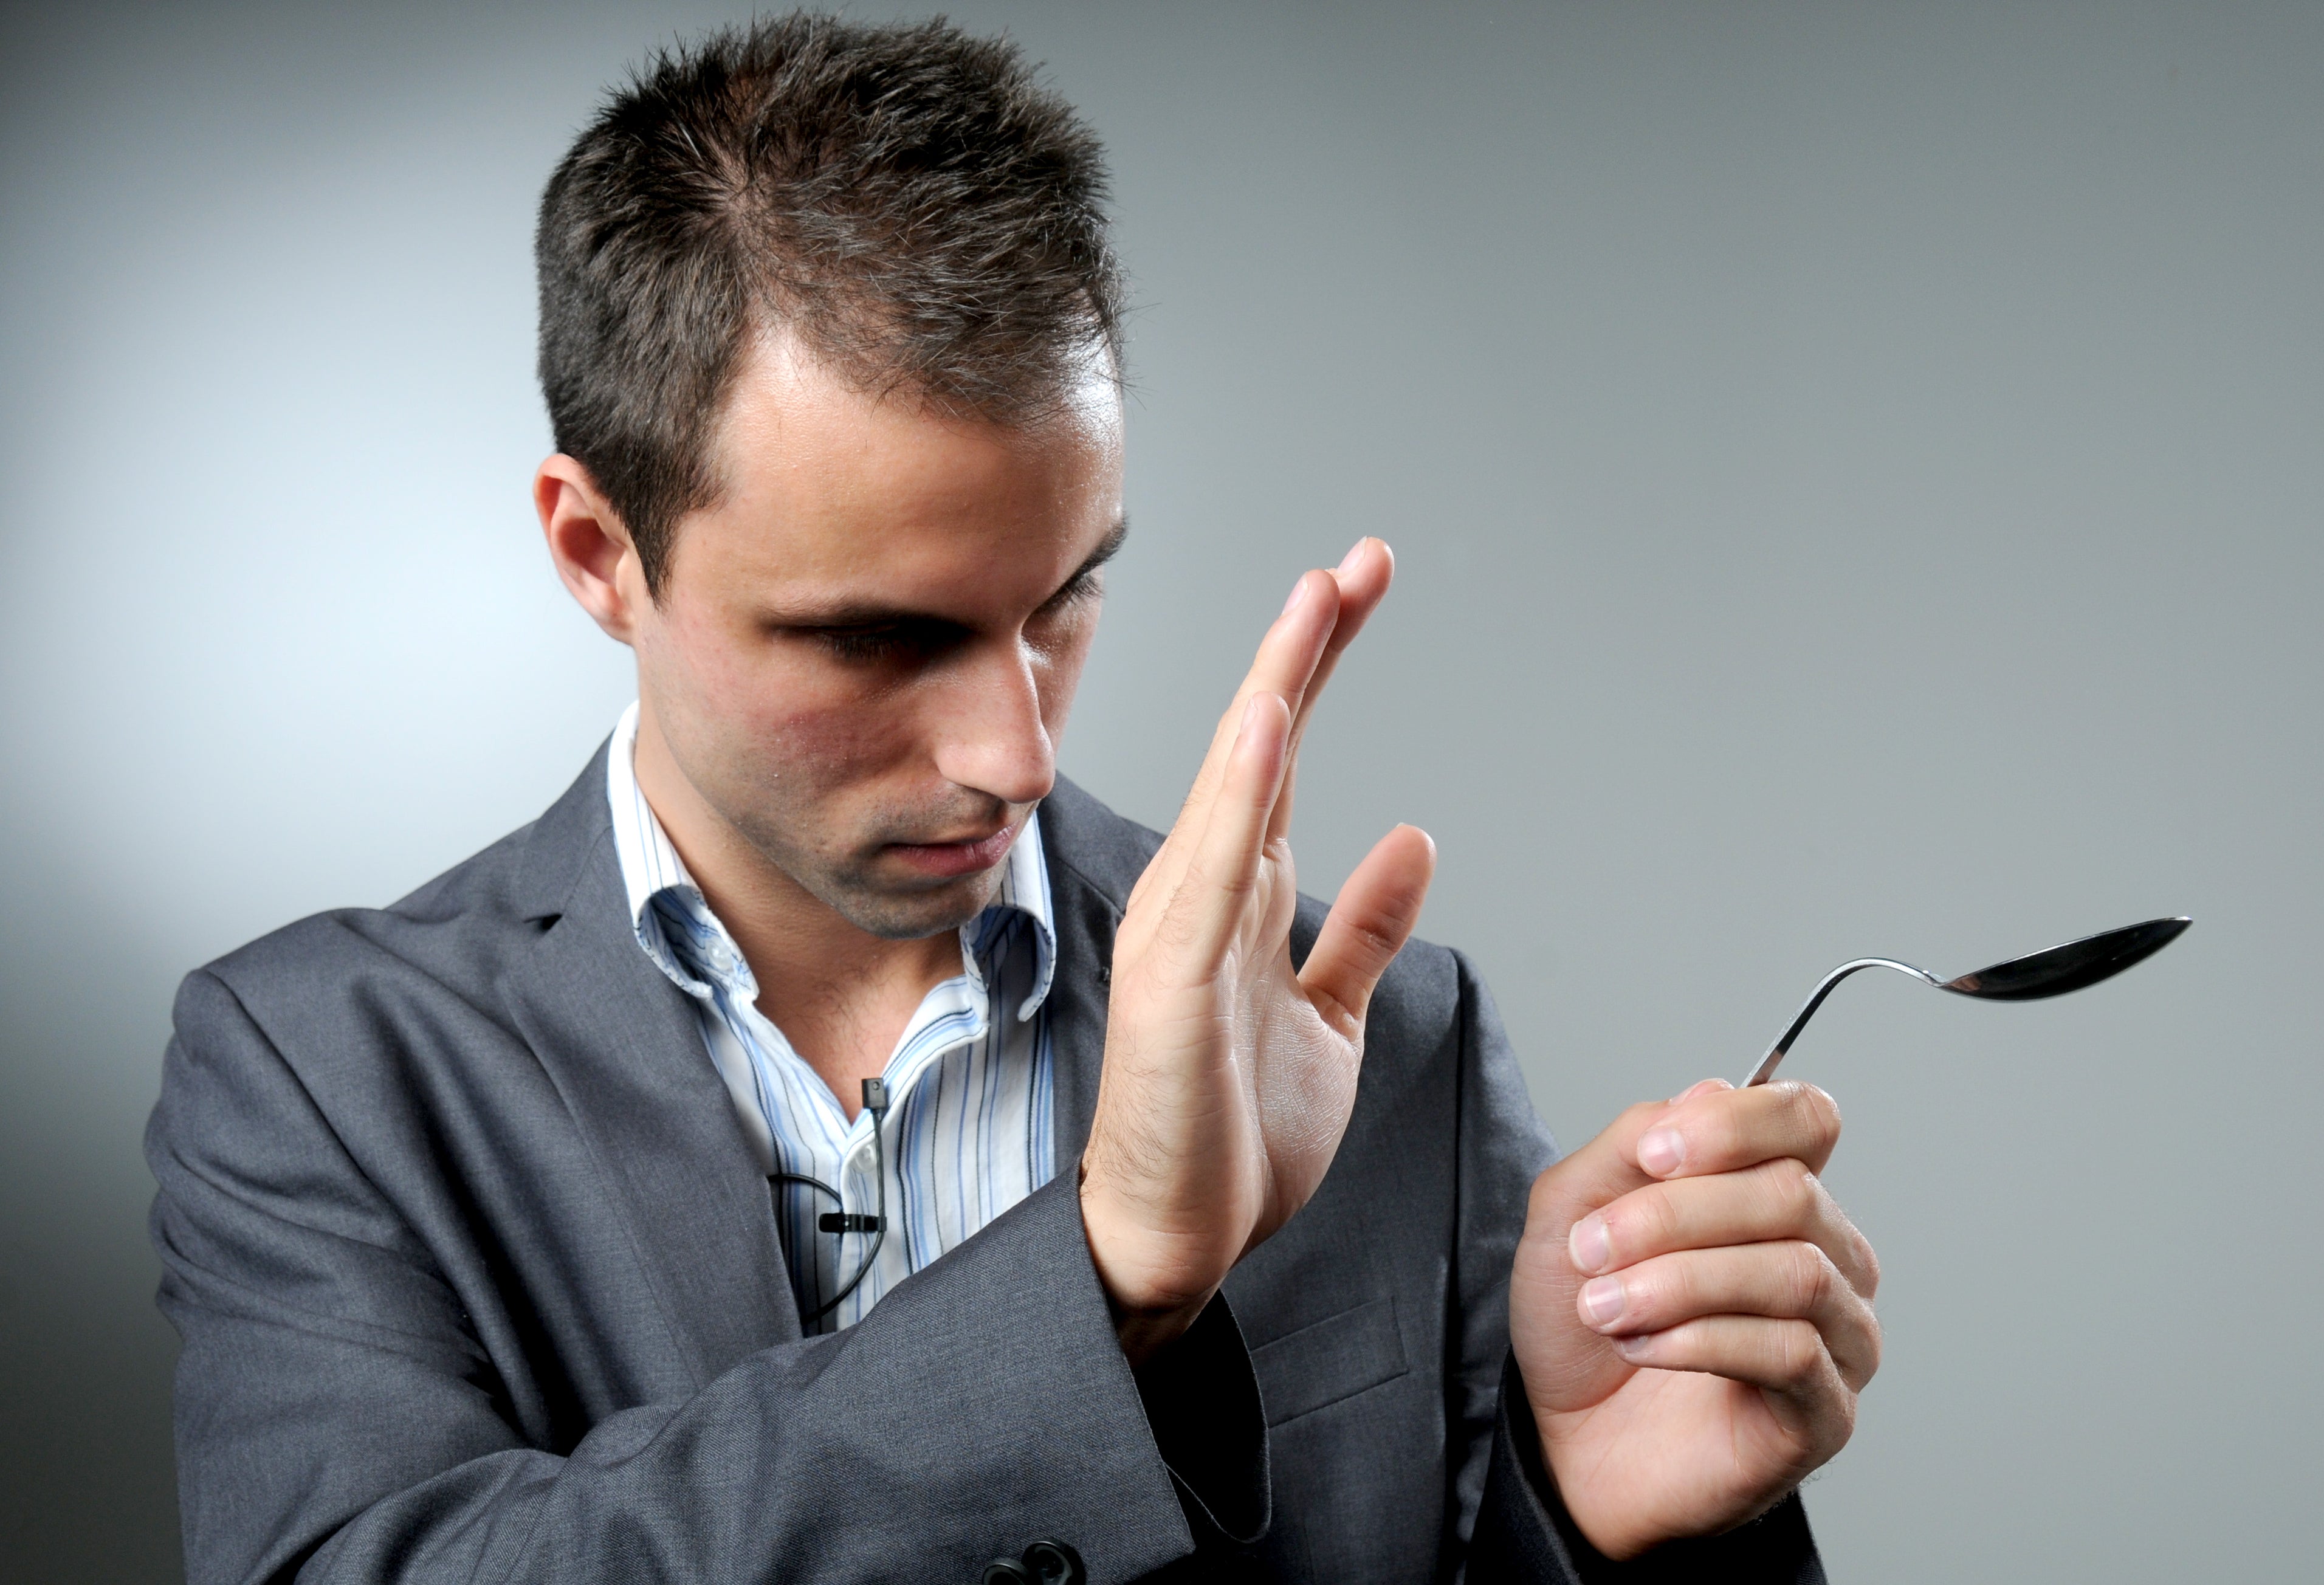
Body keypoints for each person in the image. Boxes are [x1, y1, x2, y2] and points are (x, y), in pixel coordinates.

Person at [145, 15, 1880, 1583]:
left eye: (1064, 598)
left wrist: (1594, 1520)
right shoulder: (317, 1068)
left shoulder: (1374, 1035)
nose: (1016, 753)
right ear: (600, 553)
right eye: (880, 639)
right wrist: (1106, 1278)